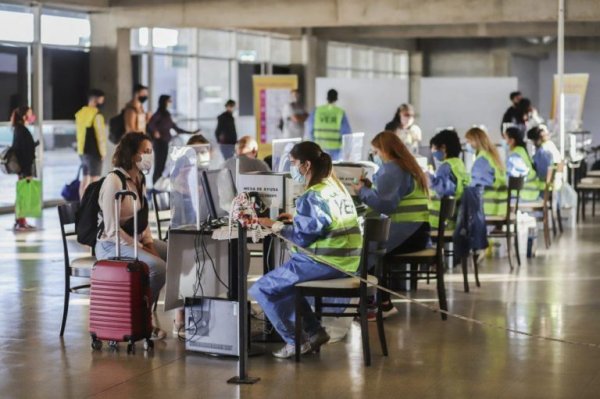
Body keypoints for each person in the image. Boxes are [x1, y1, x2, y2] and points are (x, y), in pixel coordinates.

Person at [250, 141, 362, 359]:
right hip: (346, 261)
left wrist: (274, 225)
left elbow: (302, 237)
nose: (292, 169)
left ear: (306, 165)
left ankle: (295, 342)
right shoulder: (335, 188)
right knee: (285, 286)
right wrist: (297, 219)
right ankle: (314, 332)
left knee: (262, 289)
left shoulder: (312, 196)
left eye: (293, 164)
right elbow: (323, 224)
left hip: (326, 262)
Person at [95, 133, 167, 340]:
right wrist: (141, 247)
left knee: (176, 254)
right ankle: (140, 317)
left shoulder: (140, 179)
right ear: (131, 154)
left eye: (150, 152)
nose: (149, 156)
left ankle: (176, 313)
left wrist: (149, 242)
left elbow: (142, 219)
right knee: (158, 267)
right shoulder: (114, 182)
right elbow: (111, 229)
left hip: (133, 240)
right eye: (145, 152)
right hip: (111, 244)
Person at [351, 131, 430, 319]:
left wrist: (362, 192)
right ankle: (382, 302)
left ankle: (378, 304)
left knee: (367, 250)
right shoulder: (406, 166)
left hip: (409, 231)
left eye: (376, 152)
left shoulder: (393, 169)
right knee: (374, 248)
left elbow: (387, 205)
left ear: (385, 151)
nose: (375, 157)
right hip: (417, 231)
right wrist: (370, 189)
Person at [148, 95, 197, 184]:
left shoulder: (167, 115)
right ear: (164, 102)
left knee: (162, 165)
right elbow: (150, 124)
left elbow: (176, 128)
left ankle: (158, 185)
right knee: (159, 165)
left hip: (165, 142)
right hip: (159, 143)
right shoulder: (159, 113)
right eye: (169, 101)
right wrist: (155, 131)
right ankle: (155, 186)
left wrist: (192, 132)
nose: (170, 103)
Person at [428, 129, 471, 229]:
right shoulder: (459, 164)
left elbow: (440, 191)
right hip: (454, 219)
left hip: (438, 221)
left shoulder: (445, 166)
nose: (433, 152)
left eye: (434, 148)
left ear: (443, 147)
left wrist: (428, 177)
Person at [465, 127, 507, 217]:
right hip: (500, 205)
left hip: (488, 207)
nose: (467, 145)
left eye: (468, 141)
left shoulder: (482, 160)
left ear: (476, 140)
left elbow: (477, 186)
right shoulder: (491, 155)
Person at [75, 89, 107, 198]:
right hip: (94, 152)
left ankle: (82, 206)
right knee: (95, 182)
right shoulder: (97, 115)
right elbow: (100, 136)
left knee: (85, 180)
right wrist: (103, 152)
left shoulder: (80, 113)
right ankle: (92, 208)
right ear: (95, 100)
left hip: (82, 151)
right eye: (101, 100)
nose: (102, 103)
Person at [11, 106, 37, 231]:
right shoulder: (21, 130)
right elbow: (23, 151)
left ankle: (21, 221)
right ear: (24, 115)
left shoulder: (19, 129)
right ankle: (21, 222)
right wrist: (26, 171)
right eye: (30, 113)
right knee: (23, 195)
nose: (32, 116)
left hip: (23, 168)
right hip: (25, 169)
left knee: (22, 194)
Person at [307, 89, 351, 161]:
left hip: (318, 147)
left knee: (320, 170)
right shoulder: (339, 112)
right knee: (333, 170)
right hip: (335, 149)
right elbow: (346, 133)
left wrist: (312, 146)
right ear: (336, 99)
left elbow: (309, 130)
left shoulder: (317, 110)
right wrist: (347, 151)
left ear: (327, 98)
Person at [505, 127, 542, 201]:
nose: (504, 142)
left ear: (512, 140)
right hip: (531, 191)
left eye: (505, 138)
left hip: (524, 193)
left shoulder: (515, 156)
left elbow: (513, 178)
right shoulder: (521, 151)